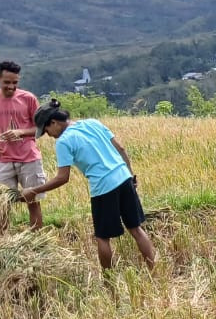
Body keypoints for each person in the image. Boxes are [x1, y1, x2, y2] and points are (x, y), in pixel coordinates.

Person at [22, 100, 158, 271]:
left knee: (103, 238)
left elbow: (62, 178)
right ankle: (154, 271)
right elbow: (121, 148)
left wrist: (34, 190)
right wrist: (131, 176)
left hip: (103, 187)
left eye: (47, 130)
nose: (48, 135)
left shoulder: (63, 141)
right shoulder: (92, 123)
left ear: (54, 122)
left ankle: (108, 279)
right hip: (124, 178)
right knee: (136, 229)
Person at [0, 61, 46, 229]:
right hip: (2, 159)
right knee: (1, 205)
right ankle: (3, 244)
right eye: (7, 82)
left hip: (29, 159)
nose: (11, 86)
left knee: (33, 202)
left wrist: (20, 132)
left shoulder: (28, 99)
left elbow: (42, 128)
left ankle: (38, 243)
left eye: (15, 82)